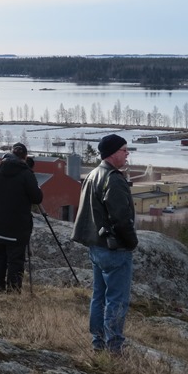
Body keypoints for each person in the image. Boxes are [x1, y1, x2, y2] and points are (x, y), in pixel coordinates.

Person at [72, 134, 138, 354]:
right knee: (116, 300)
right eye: (124, 150)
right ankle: (114, 347)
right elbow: (121, 218)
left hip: (96, 247)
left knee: (98, 297)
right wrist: (131, 242)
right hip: (114, 249)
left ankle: (98, 343)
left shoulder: (92, 174)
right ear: (112, 153)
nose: (127, 154)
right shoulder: (113, 179)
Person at [0, 142, 43, 293]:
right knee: (15, 261)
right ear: (24, 157)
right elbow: (37, 198)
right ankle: (12, 292)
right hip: (18, 228)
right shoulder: (26, 174)